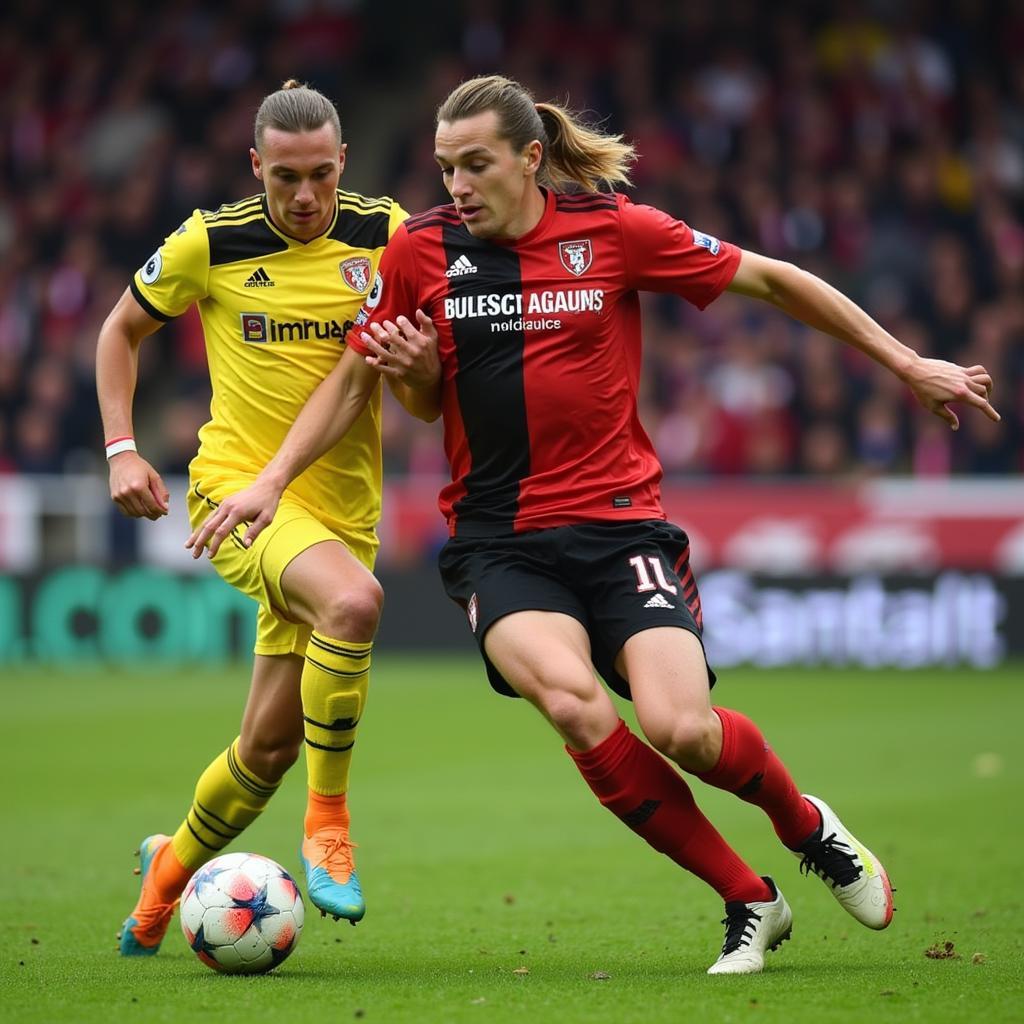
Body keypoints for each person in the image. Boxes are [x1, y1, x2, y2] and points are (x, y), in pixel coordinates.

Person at [188, 75, 1000, 974]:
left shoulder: (614, 233)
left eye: (476, 164)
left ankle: (807, 826)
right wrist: (272, 480)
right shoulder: (420, 251)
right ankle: (748, 899)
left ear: (531, 158)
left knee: (681, 728)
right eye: (446, 166)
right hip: (498, 546)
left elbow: (772, 280)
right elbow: (358, 381)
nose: (456, 184)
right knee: (575, 705)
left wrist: (904, 361)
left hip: (622, 531)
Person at [96, 80, 441, 957]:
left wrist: (419, 367)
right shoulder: (208, 242)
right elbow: (117, 332)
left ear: (343, 165)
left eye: (320, 175)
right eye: (285, 177)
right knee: (356, 605)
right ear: (256, 167)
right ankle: (329, 825)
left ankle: (163, 882)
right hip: (240, 497)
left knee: (265, 750)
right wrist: (122, 449)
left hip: (341, 513)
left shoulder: (387, 234)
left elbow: (425, 402)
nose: (303, 197)